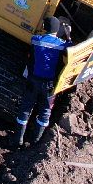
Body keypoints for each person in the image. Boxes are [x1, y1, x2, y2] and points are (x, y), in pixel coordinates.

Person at [14, 16, 71, 147]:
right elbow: (71, 48)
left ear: (45, 27)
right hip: (49, 85)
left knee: (25, 109)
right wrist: (68, 35)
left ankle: (17, 140)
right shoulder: (61, 44)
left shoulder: (36, 40)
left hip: (33, 80)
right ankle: (35, 142)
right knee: (45, 112)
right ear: (57, 30)